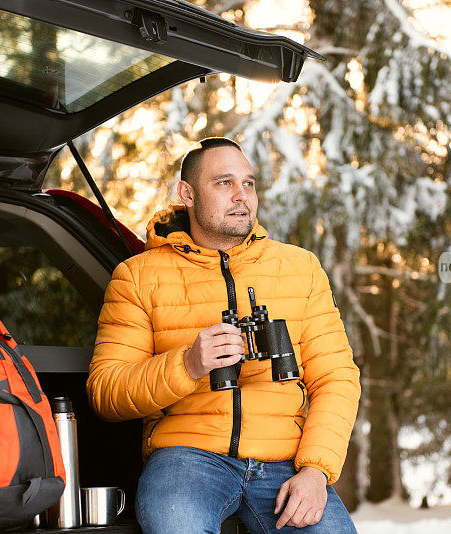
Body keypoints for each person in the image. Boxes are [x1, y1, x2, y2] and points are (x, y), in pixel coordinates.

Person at [87, 137, 361, 533]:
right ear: (188, 194)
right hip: (187, 457)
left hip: (287, 460)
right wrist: (187, 364)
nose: (241, 196)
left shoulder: (300, 269)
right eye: (224, 183)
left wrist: (317, 470)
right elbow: (106, 392)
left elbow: (337, 378)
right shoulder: (138, 276)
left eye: (248, 184)